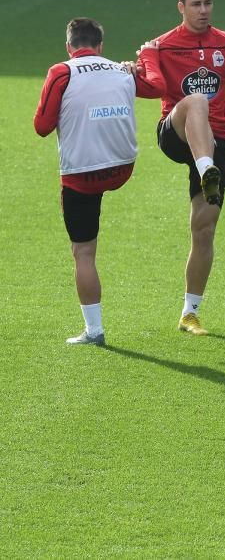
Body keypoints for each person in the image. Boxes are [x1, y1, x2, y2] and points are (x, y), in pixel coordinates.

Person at [137, 0, 225, 335]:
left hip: (217, 138)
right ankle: (206, 168)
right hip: (175, 133)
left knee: (203, 229)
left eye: (208, 3)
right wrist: (141, 61)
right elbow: (151, 88)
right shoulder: (162, 46)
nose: (204, 10)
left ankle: (189, 313)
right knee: (194, 101)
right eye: (196, 4)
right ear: (181, 7)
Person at [34, 18, 163, 345]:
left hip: (82, 176)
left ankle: (94, 331)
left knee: (84, 252)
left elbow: (42, 126)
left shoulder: (61, 72)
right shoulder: (121, 70)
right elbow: (156, 87)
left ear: (69, 46)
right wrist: (146, 56)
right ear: (100, 46)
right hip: (122, 168)